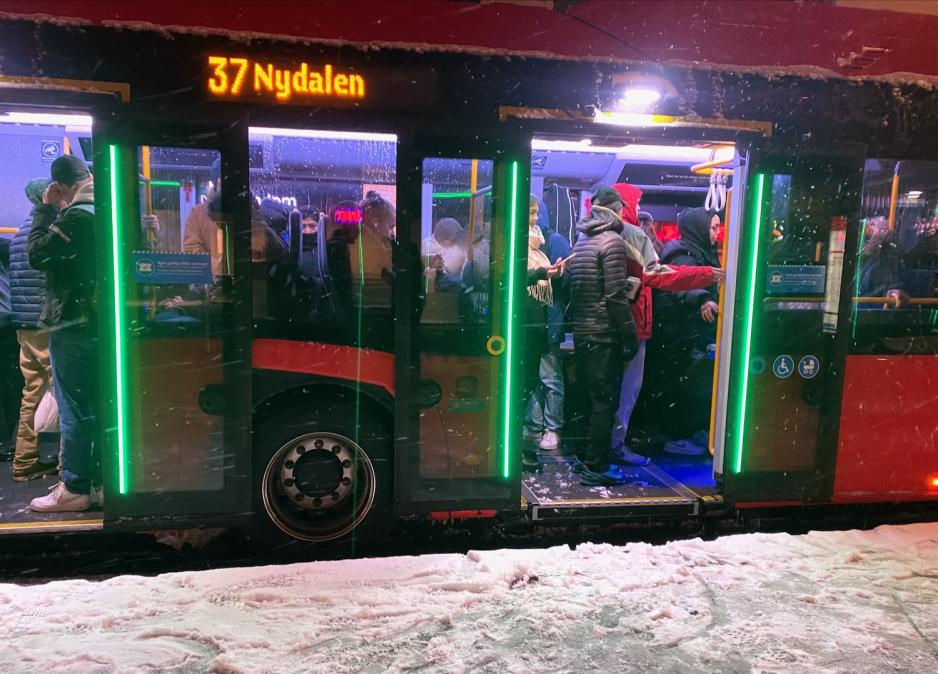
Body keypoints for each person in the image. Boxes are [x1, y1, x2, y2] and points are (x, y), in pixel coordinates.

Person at [609, 184, 722, 462]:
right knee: (625, 392)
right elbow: (666, 277)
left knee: (620, 392)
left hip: (636, 327)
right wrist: (704, 286)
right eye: (713, 227)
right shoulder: (633, 238)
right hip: (642, 328)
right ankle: (615, 447)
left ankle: (613, 445)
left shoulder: (604, 237)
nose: (717, 233)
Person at [27, 155, 98, 511]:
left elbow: (37, 253)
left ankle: (75, 487)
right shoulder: (107, 211)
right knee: (100, 408)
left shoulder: (77, 215)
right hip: (99, 326)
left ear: (61, 186)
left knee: (74, 408)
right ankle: (98, 482)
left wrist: (46, 210)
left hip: (74, 325)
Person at [566, 187, 639, 486]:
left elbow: (576, 285)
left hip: (583, 331)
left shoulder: (582, 239)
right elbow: (614, 295)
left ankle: (585, 457)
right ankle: (597, 467)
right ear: (616, 210)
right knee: (605, 403)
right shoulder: (613, 241)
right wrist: (629, 334)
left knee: (589, 399)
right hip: (604, 334)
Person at [647, 207, 724, 453]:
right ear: (699, 228)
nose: (717, 233)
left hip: (683, 333)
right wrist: (701, 299)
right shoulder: (684, 254)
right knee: (682, 387)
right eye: (713, 227)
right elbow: (680, 284)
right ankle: (677, 436)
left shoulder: (699, 252)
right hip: (677, 335)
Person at [9, 178, 57, 482]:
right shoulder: (47, 234)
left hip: (24, 326)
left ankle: (24, 462)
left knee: (32, 392)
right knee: (67, 394)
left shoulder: (17, 237)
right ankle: (71, 470)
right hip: (46, 325)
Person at [523, 195, 571, 451]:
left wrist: (555, 275)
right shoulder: (531, 246)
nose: (535, 218)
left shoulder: (549, 242)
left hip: (546, 319)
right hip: (534, 320)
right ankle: (535, 422)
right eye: (530, 213)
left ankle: (551, 428)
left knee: (550, 377)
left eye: (536, 213)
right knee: (537, 377)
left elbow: (559, 286)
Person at [183, 157, 224, 275]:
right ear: (215, 182)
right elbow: (192, 253)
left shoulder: (251, 213)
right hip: (211, 288)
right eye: (223, 177)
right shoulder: (197, 214)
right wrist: (222, 271)